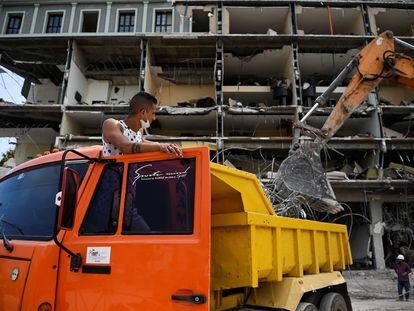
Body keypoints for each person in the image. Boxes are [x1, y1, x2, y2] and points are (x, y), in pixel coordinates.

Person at [102, 91, 182, 157]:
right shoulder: (111, 124)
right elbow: (126, 147)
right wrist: (160, 146)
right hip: (112, 175)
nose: (154, 118)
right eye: (153, 113)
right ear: (143, 112)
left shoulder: (138, 134)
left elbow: (141, 142)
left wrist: (167, 146)